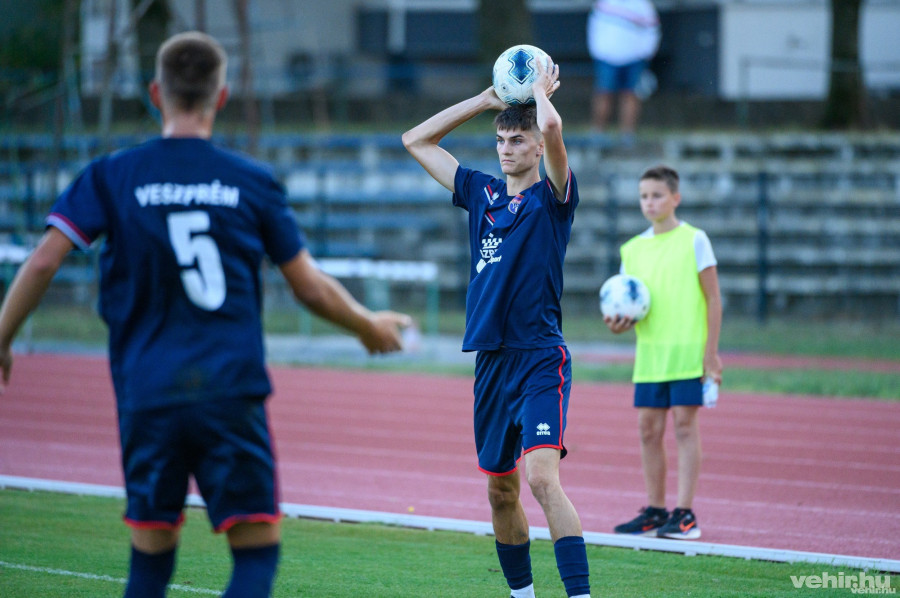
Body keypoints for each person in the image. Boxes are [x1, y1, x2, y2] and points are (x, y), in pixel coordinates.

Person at [0, 31, 410, 598]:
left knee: (150, 561)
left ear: (154, 93)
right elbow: (309, 287)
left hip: (147, 393)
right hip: (229, 391)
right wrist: (368, 324)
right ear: (221, 96)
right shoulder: (251, 180)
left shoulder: (112, 176)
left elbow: (44, 260)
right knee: (255, 555)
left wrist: (2, 335)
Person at [402, 59, 591, 598]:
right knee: (501, 493)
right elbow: (415, 140)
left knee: (539, 479)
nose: (507, 147)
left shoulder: (552, 200)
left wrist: (538, 95)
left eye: (517, 139)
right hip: (490, 361)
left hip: (538, 357)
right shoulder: (481, 195)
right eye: (501, 139)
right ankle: (522, 595)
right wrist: (485, 102)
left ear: (537, 148)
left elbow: (553, 127)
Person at [604, 164, 723, 540]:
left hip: (688, 352)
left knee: (685, 428)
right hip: (650, 356)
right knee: (647, 431)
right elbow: (632, 305)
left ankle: (685, 515)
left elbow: (713, 298)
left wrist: (711, 354)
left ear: (675, 198)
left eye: (657, 195)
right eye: (643, 196)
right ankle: (655, 511)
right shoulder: (632, 249)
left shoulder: (695, 240)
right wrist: (619, 323)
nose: (649, 202)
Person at [586, 0, 661, 143]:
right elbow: (594, 29)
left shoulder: (643, 5)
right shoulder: (604, 3)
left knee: (631, 95)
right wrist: (599, 52)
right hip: (606, 58)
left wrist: (645, 53)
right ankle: (598, 133)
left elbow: (652, 29)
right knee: (603, 94)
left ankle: (627, 135)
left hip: (635, 59)